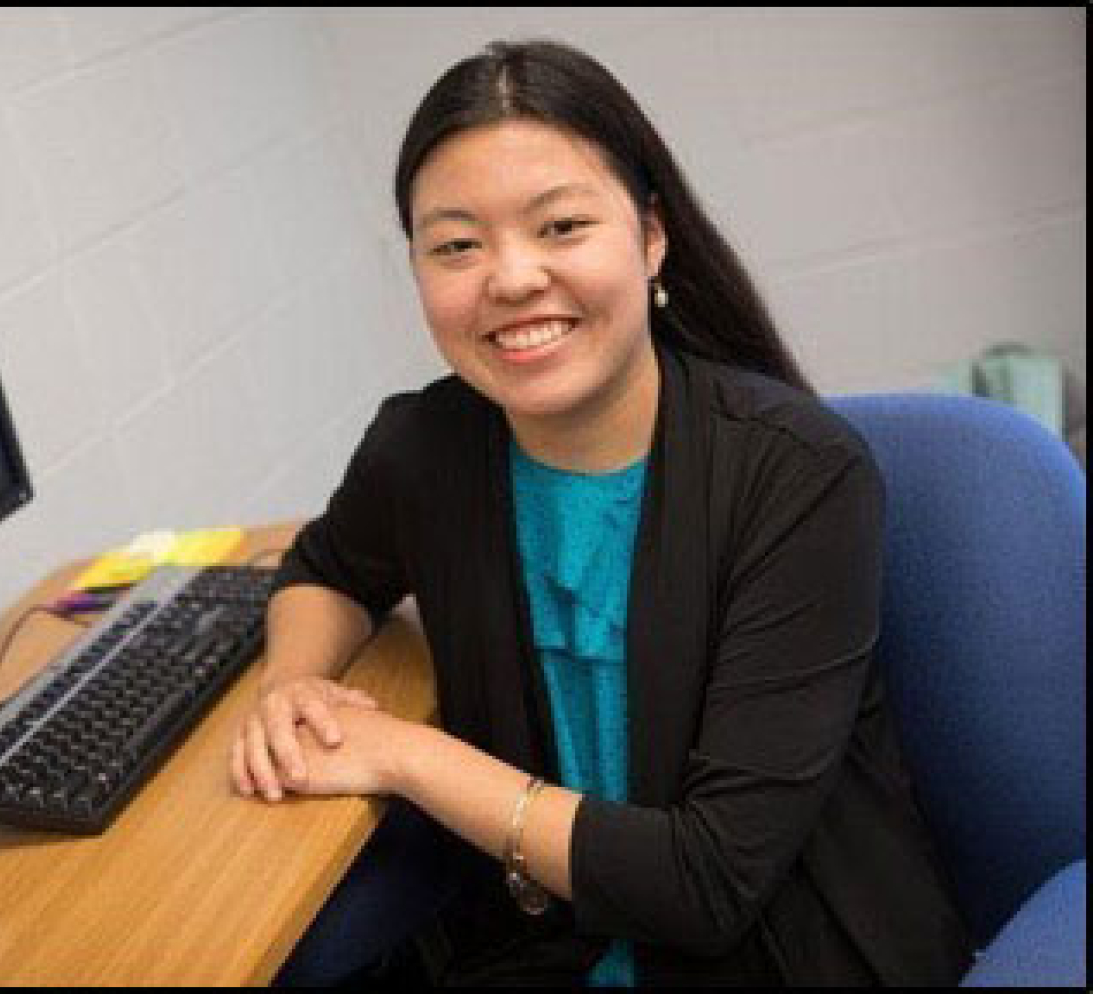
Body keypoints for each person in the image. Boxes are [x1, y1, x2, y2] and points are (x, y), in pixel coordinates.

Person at [230, 39, 973, 986]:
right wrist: (292, 685)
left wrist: (410, 756)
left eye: (560, 227)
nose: (509, 279)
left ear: (652, 237)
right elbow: (327, 570)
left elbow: (707, 884)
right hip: (545, 948)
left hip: (784, 959)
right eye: (457, 244)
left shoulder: (799, 476)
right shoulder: (425, 449)